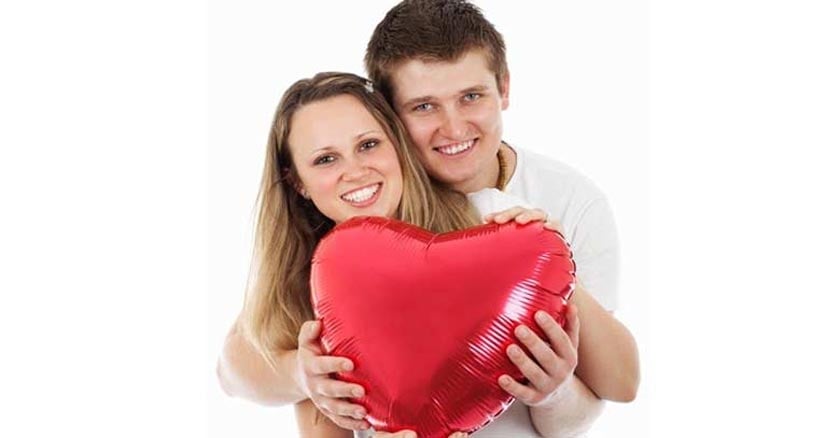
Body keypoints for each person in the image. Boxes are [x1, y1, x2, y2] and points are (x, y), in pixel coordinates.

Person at [218, 71, 589, 437]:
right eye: (326, 160)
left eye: (367, 145)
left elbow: (592, 410)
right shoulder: (320, 287)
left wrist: (555, 394)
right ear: (298, 182)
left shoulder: (490, 218)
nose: (356, 171)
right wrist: (301, 373)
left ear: (396, 142)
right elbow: (230, 370)